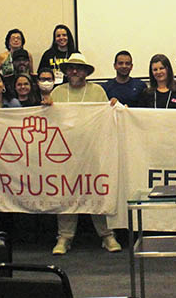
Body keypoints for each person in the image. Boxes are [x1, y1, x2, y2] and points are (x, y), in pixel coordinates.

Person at [44, 53, 121, 255]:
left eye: (79, 68)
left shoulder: (97, 91)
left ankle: (107, 235)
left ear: (86, 71)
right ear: (66, 71)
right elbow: (49, 121)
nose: (75, 71)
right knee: (66, 192)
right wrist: (46, 107)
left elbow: (107, 119)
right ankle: (64, 237)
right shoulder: (58, 92)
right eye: (71, 68)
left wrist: (112, 107)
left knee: (98, 190)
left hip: (93, 151)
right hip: (64, 153)